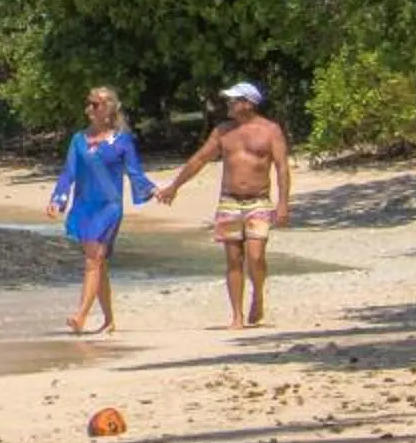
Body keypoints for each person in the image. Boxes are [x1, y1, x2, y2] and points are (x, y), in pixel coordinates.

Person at [159, 81, 293, 328]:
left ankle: (258, 295)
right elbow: (200, 159)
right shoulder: (223, 131)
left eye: (233, 100)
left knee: (255, 256)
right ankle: (237, 316)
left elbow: (282, 167)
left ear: (248, 103)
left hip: (258, 200)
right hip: (229, 201)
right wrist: (174, 186)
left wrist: (283, 203)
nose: (228, 104)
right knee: (233, 259)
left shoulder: (270, 130)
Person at [50, 85, 156, 335]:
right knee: (98, 263)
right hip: (84, 206)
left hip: (110, 207)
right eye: (88, 103)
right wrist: (58, 198)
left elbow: (135, 173)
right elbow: (69, 172)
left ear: (108, 108)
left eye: (95, 104)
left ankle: (81, 315)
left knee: (93, 259)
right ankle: (109, 320)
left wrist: (153, 190)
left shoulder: (122, 140)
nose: (89, 108)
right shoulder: (78, 139)